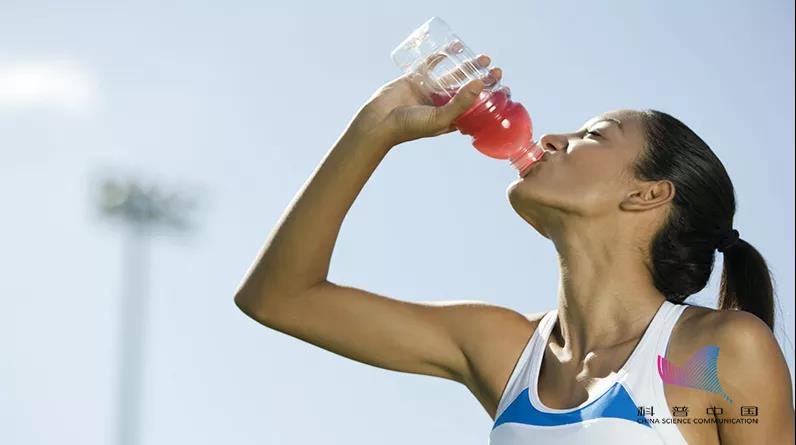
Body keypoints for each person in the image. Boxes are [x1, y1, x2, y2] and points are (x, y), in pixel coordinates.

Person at [233, 54, 795, 444]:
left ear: (648, 194)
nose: (552, 138)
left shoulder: (721, 349)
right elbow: (278, 297)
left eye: (593, 135)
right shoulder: (504, 349)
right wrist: (378, 124)